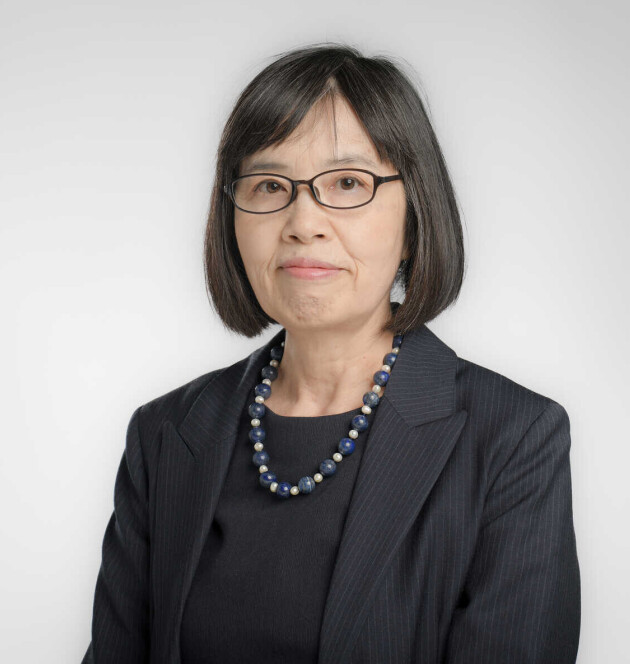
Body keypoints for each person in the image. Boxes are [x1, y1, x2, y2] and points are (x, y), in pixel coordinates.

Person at [81, 43, 580, 664]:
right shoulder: (164, 432)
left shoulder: (514, 437)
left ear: (414, 218)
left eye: (348, 183)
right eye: (269, 185)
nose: (303, 222)